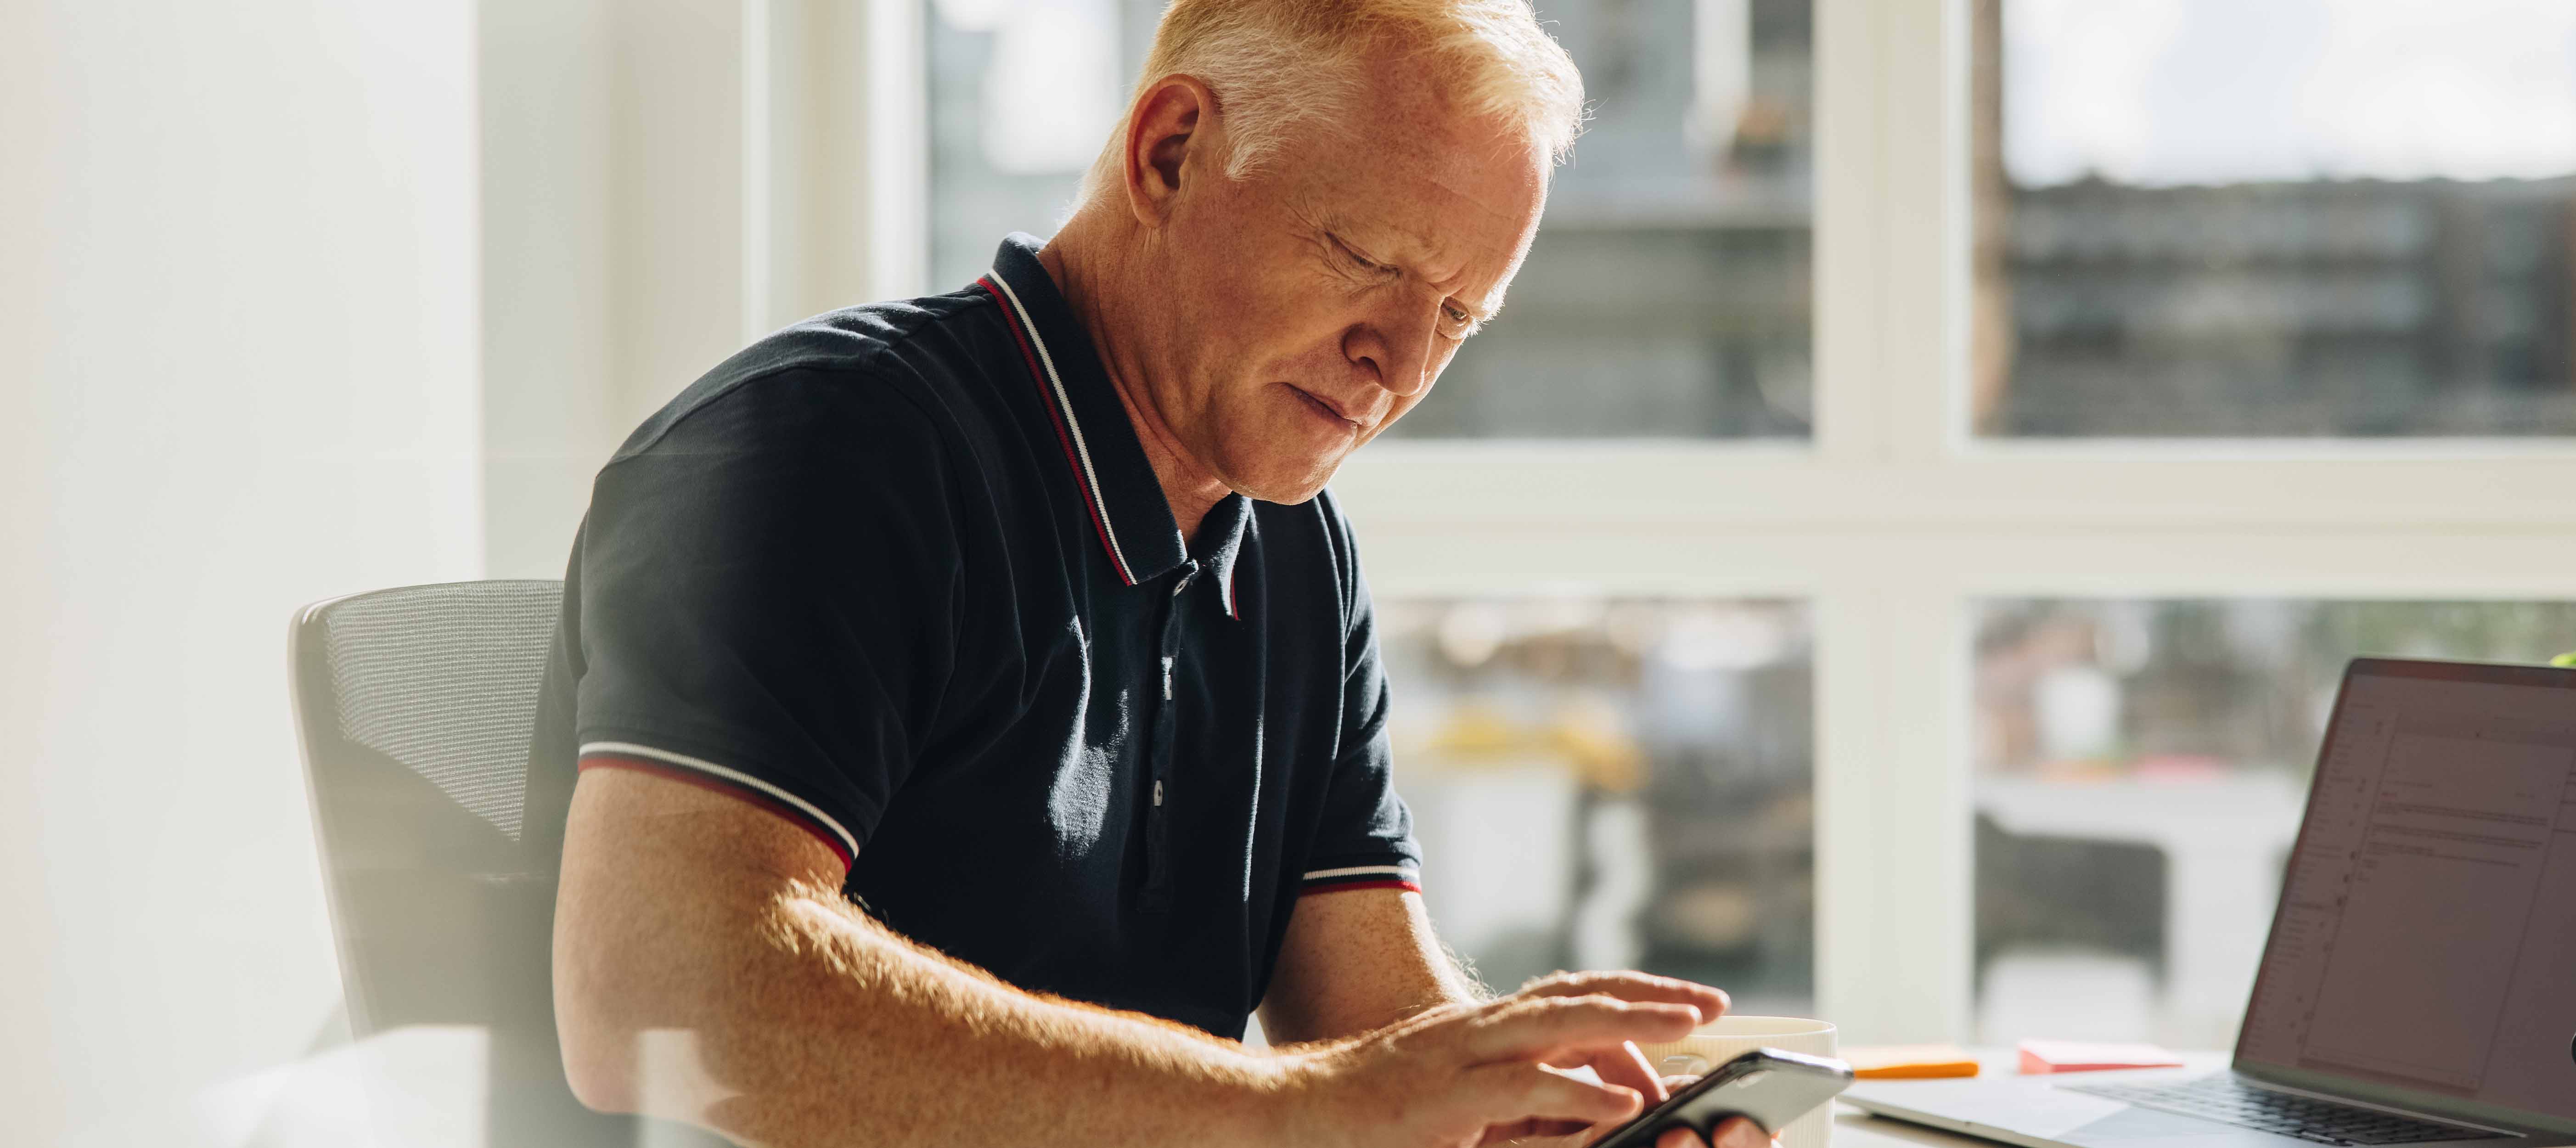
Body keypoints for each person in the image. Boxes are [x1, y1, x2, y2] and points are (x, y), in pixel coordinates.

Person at [525, 1, 1780, 1144]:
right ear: (1171, 152)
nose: (1398, 364)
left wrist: (1544, 1116)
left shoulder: (1291, 541)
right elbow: (648, 990)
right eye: (1369, 260)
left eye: (1457, 316)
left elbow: (1371, 1028)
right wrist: (1283, 1112)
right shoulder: (824, 450)